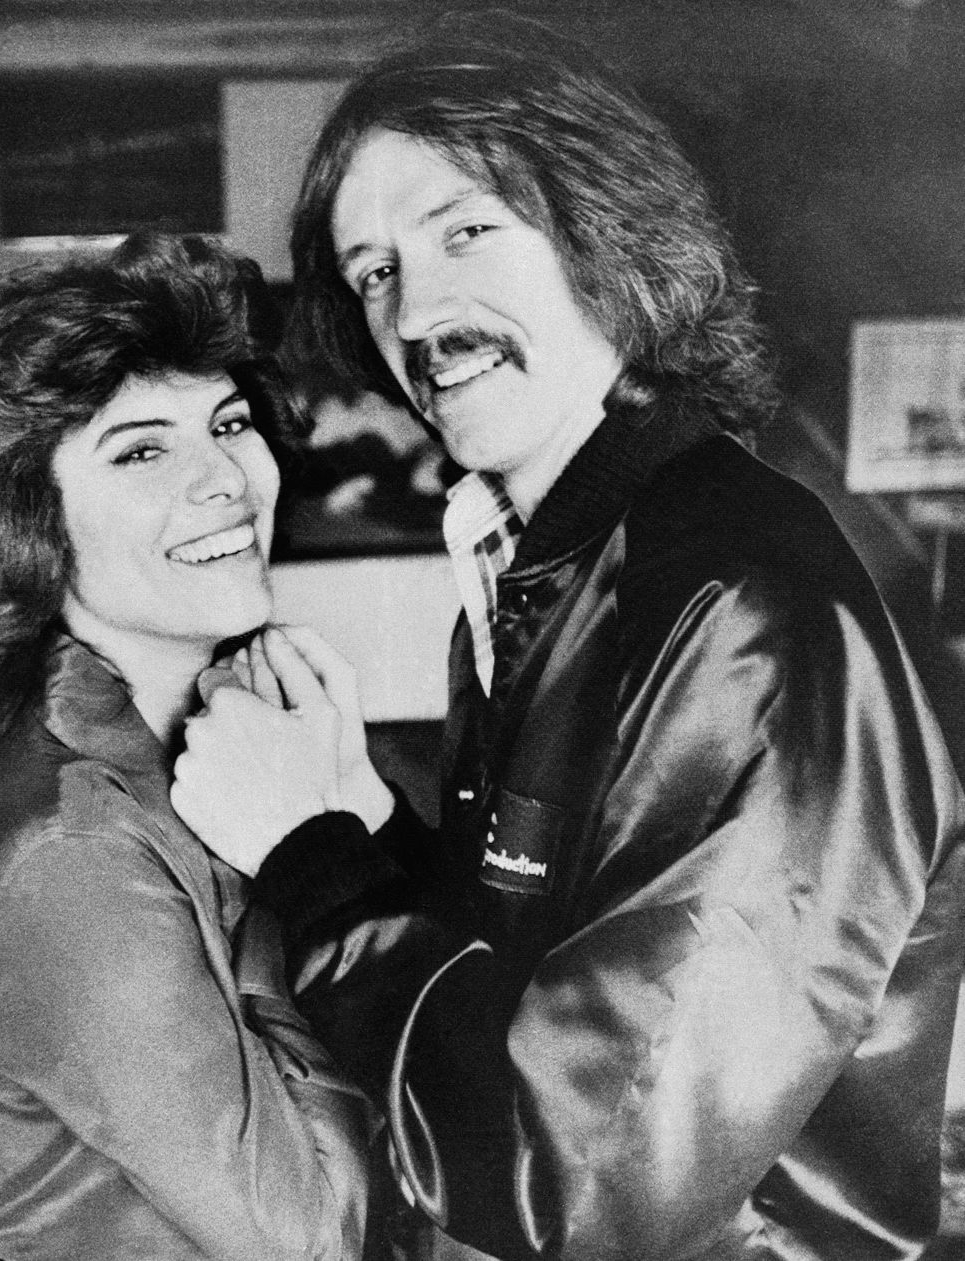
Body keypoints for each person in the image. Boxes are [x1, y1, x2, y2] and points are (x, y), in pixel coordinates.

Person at [168, 11, 965, 1261]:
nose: (416, 313)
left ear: (605, 233)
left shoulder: (739, 611)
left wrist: (310, 859)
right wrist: (361, 820)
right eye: (373, 271)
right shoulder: (539, 566)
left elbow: (581, 1178)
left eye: (464, 231)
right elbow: (533, 960)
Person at [0, 232, 394, 1261]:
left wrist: (351, 804)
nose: (225, 477)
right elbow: (317, 1241)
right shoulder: (70, 853)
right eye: (141, 449)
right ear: (31, 521)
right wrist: (301, 859)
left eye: (229, 423)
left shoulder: (218, 732)